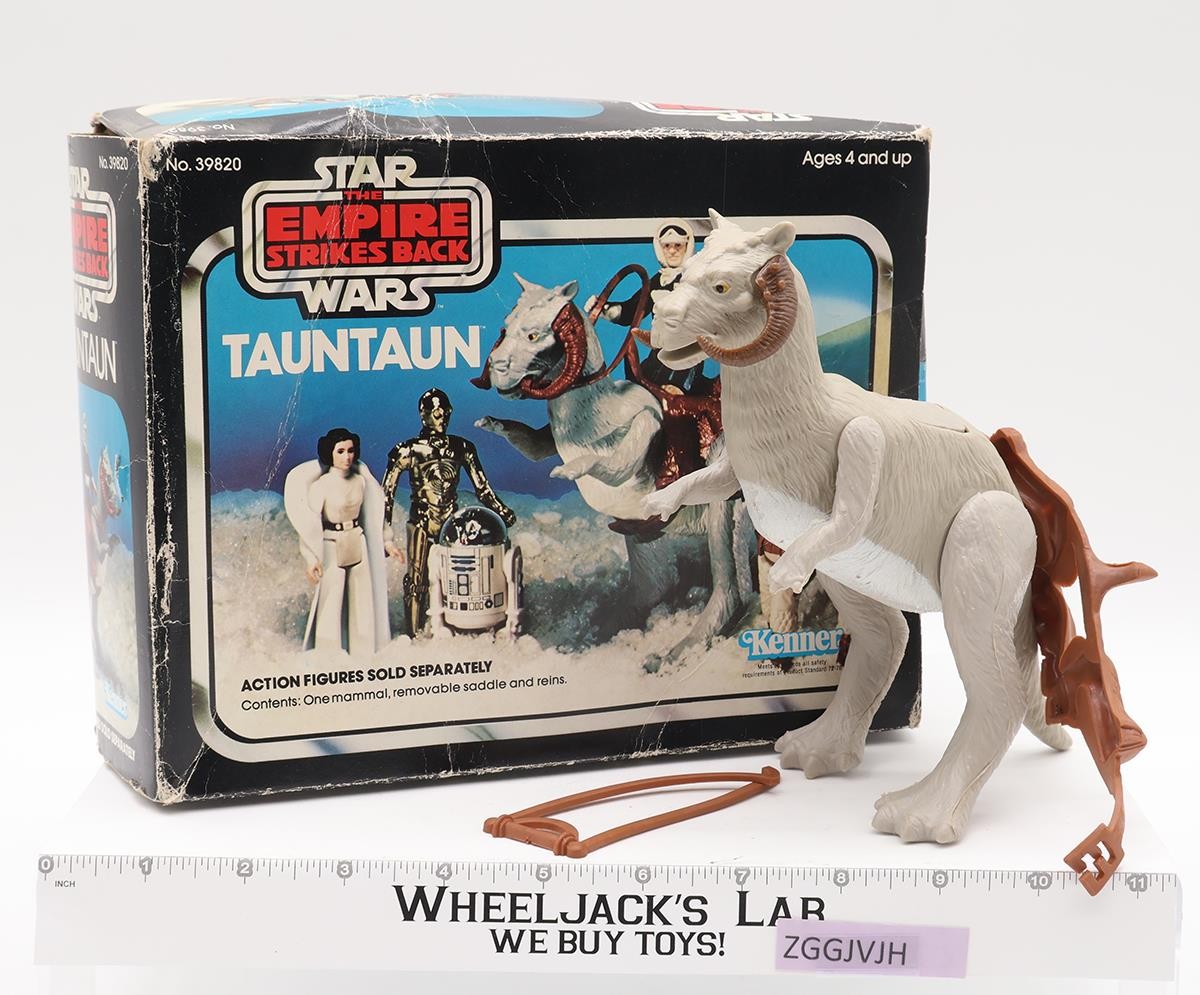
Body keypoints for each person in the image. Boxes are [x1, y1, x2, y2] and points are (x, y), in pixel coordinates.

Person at [382, 389, 516, 635]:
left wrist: (501, 511)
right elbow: (386, 494)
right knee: (417, 580)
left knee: (460, 576)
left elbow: (482, 488)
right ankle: (414, 634)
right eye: (436, 412)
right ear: (424, 414)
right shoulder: (408, 450)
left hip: (452, 522)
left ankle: (457, 629)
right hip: (422, 521)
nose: (442, 417)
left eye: (446, 412)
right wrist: (384, 532)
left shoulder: (462, 447)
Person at [284, 428, 399, 657]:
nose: (347, 456)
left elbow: (375, 515)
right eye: (341, 451)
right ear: (330, 453)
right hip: (331, 543)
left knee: (362, 602)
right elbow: (309, 523)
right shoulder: (322, 485)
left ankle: (364, 653)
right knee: (330, 601)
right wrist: (311, 558)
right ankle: (328, 654)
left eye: (350, 450)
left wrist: (388, 542)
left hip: (357, 539)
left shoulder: (361, 481)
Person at [597, 219, 713, 393]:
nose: (672, 251)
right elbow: (632, 310)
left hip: (687, 356)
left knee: (675, 389)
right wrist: (604, 309)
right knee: (637, 389)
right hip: (658, 355)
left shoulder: (697, 280)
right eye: (667, 246)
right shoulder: (658, 281)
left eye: (678, 245)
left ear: (687, 246)